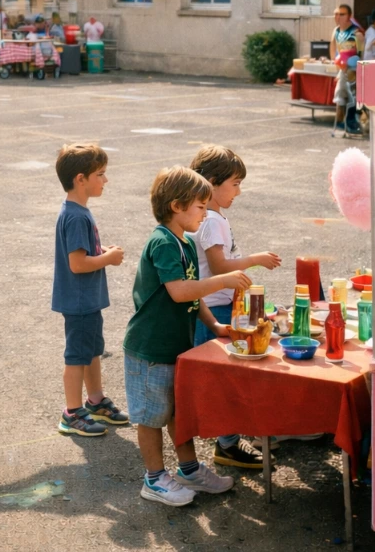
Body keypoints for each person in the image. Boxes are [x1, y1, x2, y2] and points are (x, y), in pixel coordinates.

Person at [123, 165, 252, 506]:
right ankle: (153, 479)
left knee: (177, 413)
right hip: (150, 349)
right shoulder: (163, 242)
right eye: (200, 206)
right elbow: (180, 291)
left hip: (174, 347)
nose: (206, 213)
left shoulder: (185, 241)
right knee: (151, 417)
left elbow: (194, 297)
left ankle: (189, 469)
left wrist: (215, 327)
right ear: (177, 206)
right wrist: (223, 280)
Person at [190, 145, 281, 468]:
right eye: (235, 183)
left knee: (229, 376)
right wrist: (256, 260)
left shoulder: (211, 217)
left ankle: (231, 436)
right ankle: (227, 443)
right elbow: (219, 267)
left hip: (217, 306)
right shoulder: (211, 220)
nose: (239, 192)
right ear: (212, 183)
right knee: (226, 378)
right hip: (215, 311)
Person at [53, 143, 128, 437]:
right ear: (80, 179)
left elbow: (84, 253)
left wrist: (102, 249)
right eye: (101, 174)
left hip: (87, 300)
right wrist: (108, 258)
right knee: (77, 356)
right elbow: (78, 264)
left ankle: (95, 401)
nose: (105, 180)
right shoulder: (75, 216)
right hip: (79, 300)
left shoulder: (78, 211)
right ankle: (72, 414)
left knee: (92, 351)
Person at [329, 4, 364, 135]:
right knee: (341, 95)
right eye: (336, 14)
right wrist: (336, 66)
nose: (338, 17)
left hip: (353, 69)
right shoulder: (337, 31)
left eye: (342, 14)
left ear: (349, 16)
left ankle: (349, 123)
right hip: (342, 68)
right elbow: (333, 49)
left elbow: (361, 53)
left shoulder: (356, 33)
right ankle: (342, 123)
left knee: (349, 96)